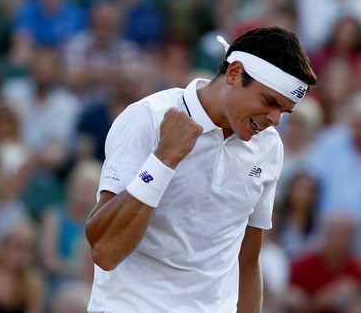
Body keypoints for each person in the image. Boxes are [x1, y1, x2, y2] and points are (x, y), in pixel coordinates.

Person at [85, 26, 318, 312]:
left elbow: (247, 261)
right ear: (234, 73)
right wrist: (164, 159)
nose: (275, 120)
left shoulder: (269, 147)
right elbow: (105, 251)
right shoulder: (148, 118)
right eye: (269, 102)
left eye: (284, 111)